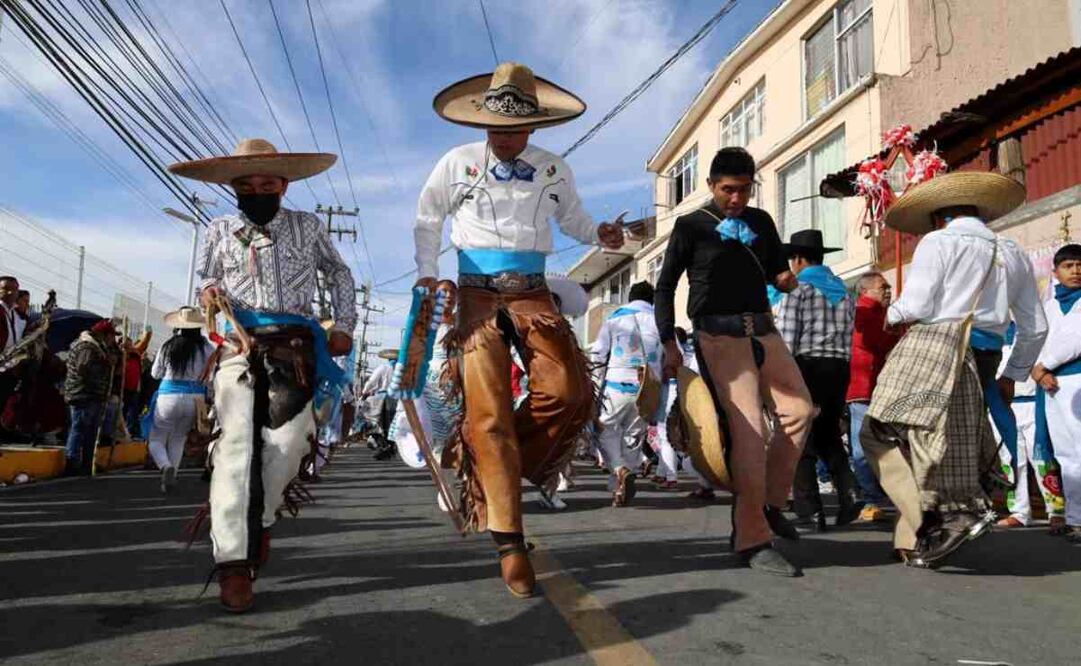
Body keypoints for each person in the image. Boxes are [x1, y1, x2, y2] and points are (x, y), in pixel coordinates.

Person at [414, 62, 624, 598]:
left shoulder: (554, 170)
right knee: (488, 414)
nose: (505, 140)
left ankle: (483, 462)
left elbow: (574, 221)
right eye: (496, 130)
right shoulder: (455, 162)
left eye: (515, 130)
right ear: (482, 124)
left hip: (533, 291)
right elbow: (427, 219)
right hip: (475, 293)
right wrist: (426, 274)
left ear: (534, 127)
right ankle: (510, 541)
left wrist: (598, 231)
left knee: (570, 392)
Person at [170, 138, 356, 613]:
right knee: (235, 449)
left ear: (284, 185)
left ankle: (263, 514)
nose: (257, 190)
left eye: (267, 183)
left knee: (290, 443)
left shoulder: (308, 225)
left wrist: (345, 325)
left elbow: (339, 274)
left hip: (294, 348)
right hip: (237, 346)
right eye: (247, 184)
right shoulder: (218, 228)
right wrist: (211, 291)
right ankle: (233, 562)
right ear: (234, 187)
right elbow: (203, 276)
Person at [860, 171, 1047, 568]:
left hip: (938, 346)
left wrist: (881, 315)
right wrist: (1013, 373)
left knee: (882, 430)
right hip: (988, 354)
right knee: (954, 439)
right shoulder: (1011, 251)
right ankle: (917, 536)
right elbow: (1035, 326)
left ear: (938, 217)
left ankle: (946, 516)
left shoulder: (939, 242)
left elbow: (919, 305)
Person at [655, 147, 813, 577]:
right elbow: (665, 286)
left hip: (763, 328)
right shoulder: (690, 226)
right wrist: (669, 340)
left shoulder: (761, 222)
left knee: (800, 412)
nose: (736, 198)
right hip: (717, 333)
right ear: (711, 186)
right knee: (749, 433)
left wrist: (788, 279)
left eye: (744, 190)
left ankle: (770, 504)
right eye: (728, 190)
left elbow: (776, 274)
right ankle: (751, 538)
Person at [776, 230, 860, 531]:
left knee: (799, 437)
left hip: (806, 367)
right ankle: (850, 493)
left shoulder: (798, 290)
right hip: (839, 369)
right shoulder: (846, 292)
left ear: (799, 259)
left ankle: (810, 509)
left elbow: (786, 340)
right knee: (829, 436)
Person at [592, 281, 662, 506]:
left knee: (603, 428)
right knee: (634, 436)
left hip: (616, 383)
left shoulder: (614, 319)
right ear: (651, 300)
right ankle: (619, 488)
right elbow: (672, 355)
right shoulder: (660, 320)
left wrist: (595, 385)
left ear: (630, 298)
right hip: (648, 386)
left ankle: (619, 469)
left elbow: (599, 354)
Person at [1031, 243, 1081, 544]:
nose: (1076, 271)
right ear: (1056, 272)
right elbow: (1038, 341)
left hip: (1076, 380)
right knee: (1065, 455)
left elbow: (1077, 340)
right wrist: (1042, 372)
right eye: (1069, 265)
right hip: (1052, 387)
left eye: (1080, 265)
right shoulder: (1049, 306)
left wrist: (1043, 366)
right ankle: (1075, 518)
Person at [993, 326, 1066, 532]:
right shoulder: (992, 327)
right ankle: (1019, 511)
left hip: (1034, 402)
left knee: (1042, 458)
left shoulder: (1036, 327)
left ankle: (1056, 511)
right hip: (1002, 405)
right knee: (1010, 459)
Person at [846, 272, 900, 522]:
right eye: (883, 287)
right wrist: (901, 332)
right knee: (863, 447)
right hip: (863, 388)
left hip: (874, 387)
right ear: (866, 291)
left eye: (888, 287)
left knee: (877, 443)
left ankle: (874, 494)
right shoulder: (865, 312)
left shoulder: (877, 312)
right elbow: (877, 342)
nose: (888, 291)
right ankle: (870, 496)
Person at [145, 308, 214, 493]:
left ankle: (165, 466)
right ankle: (171, 475)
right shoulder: (207, 348)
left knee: (156, 439)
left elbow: (155, 373)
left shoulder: (168, 345)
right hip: (196, 400)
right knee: (178, 438)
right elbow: (211, 376)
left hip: (168, 397)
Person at [63, 319, 120, 475]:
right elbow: (84, 368)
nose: (112, 340)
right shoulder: (87, 347)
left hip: (93, 395)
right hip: (83, 394)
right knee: (79, 429)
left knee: (91, 432)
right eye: (111, 336)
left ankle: (87, 464)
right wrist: (105, 365)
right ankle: (72, 463)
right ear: (104, 335)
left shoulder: (98, 347)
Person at [360, 350, 398, 459]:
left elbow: (371, 382)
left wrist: (364, 392)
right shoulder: (402, 369)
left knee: (373, 421)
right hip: (398, 400)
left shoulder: (383, 368)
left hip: (383, 399)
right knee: (392, 424)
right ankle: (390, 448)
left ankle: (382, 445)